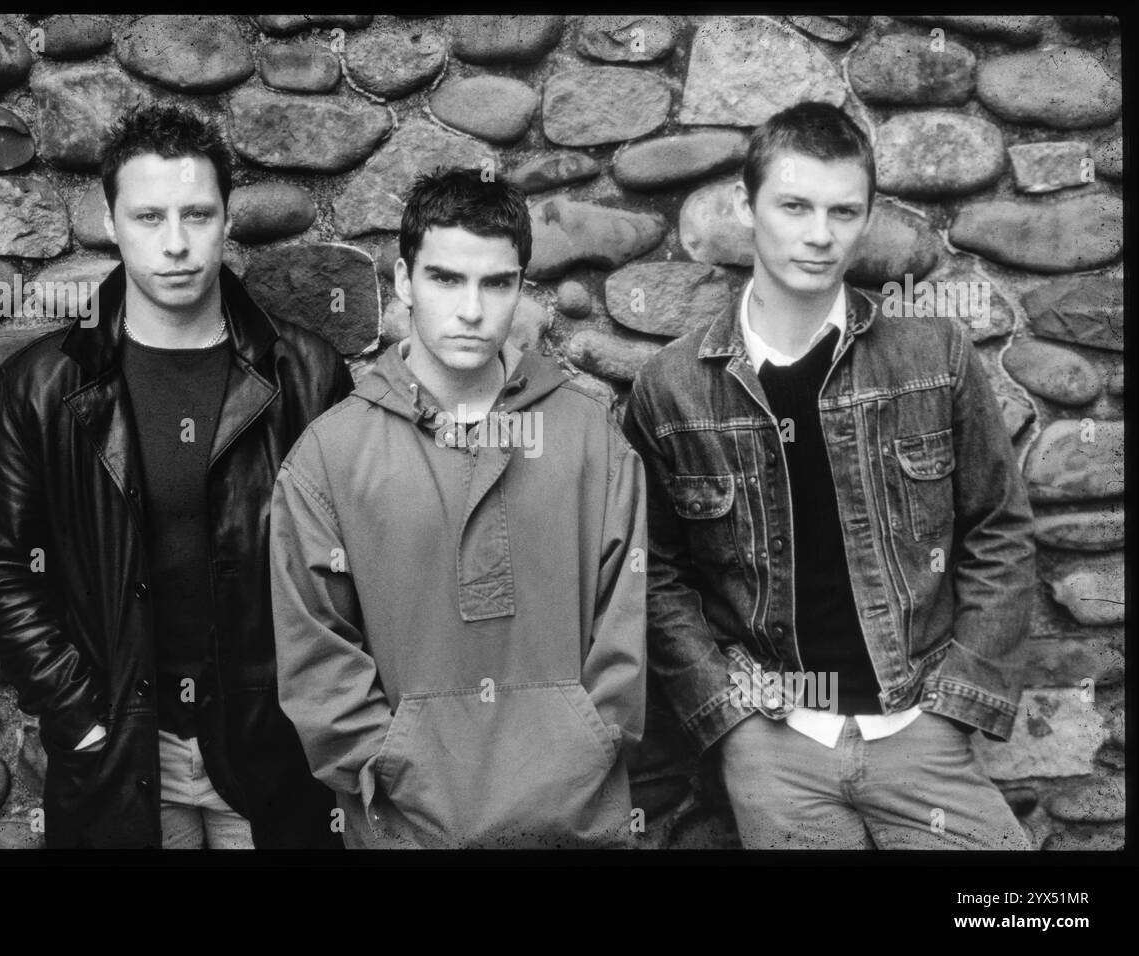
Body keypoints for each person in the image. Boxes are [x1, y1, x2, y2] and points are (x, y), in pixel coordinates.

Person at [622, 102, 1036, 850]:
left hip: (921, 729)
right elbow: (657, 573)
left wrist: (955, 702)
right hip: (774, 744)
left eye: (844, 211)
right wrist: (729, 717)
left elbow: (999, 529)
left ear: (867, 215)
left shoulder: (933, 355)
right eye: (794, 206)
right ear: (747, 209)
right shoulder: (672, 387)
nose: (820, 235)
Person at [0, 103, 351, 849]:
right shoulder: (41, 385)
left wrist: (314, 715)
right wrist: (77, 712)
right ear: (110, 221)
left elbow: (352, 563)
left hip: (270, 752)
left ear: (228, 218)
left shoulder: (306, 373)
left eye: (197, 214)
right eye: (148, 217)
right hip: (124, 749)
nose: (175, 244)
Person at [269, 169, 647, 849]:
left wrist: (588, 747)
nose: (472, 310)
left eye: (496, 283)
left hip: (575, 826)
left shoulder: (593, 439)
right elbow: (317, 658)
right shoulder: (330, 456)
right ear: (406, 281)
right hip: (406, 831)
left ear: (520, 287)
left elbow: (626, 634)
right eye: (446, 279)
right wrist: (384, 768)